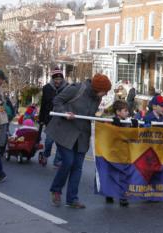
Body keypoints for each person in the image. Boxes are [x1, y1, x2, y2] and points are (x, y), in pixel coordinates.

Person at [46, 73, 112, 209]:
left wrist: (104, 119)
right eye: (104, 91)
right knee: (68, 162)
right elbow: (57, 101)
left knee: (77, 167)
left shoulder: (97, 99)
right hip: (64, 131)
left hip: (82, 136)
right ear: (97, 88)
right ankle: (56, 190)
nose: (105, 95)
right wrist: (64, 112)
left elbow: (90, 115)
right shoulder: (77, 89)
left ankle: (72, 199)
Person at [105, 100, 138, 207]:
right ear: (118, 112)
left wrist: (134, 126)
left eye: (127, 111)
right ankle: (109, 192)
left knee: (124, 174)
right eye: (125, 111)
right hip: (113, 152)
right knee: (112, 173)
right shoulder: (110, 120)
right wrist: (115, 125)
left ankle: (123, 196)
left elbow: (132, 136)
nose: (127, 113)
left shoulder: (127, 122)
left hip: (125, 151)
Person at [38, 67, 68, 167]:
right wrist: (41, 119)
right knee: (49, 141)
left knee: (60, 142)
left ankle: (57, 161)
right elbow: (43, 104)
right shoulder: (47, 88)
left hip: (62, 119)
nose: (58, 81)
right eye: (56, 79)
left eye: (60, 79)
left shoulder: (67, 88)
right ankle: (45, 155)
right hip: (49, 119)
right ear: (52, 79)